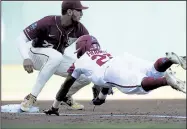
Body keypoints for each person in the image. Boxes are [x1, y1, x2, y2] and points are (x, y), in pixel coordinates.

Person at [43, 34, 186, 116]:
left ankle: (166, 81)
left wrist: (55, 106)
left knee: (139, 86)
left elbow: (66, 85)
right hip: (121, 59)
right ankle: (169, 60)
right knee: (152, 70)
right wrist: (100, 98)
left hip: (110, 71)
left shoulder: (79, 62)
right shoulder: (103, 52)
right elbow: (107, 82)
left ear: (82, 47)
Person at [17, 1, 96, 112]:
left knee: (85, 75)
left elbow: (90, 50)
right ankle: (31, 97)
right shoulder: (47, 22)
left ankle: (65, 95)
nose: (81, 14)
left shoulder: (80, 29)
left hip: (55, 59)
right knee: (56, 56)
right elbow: (21, 37)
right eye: (79, 10)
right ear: (69, 11)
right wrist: (26, 57)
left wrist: (98, 75)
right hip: (35, 55)